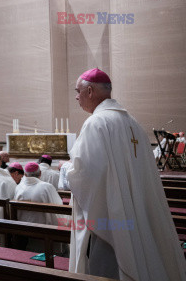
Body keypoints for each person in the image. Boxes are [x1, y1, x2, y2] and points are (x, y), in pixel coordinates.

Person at [68, 68, 186, 279]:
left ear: (90, 91)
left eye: (78, 91)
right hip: (136, 212)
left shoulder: (96, 124)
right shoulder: (135, 125)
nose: (77, 96)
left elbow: (84, 174)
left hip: (112, 222)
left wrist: (65, 171)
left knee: (112, 268)